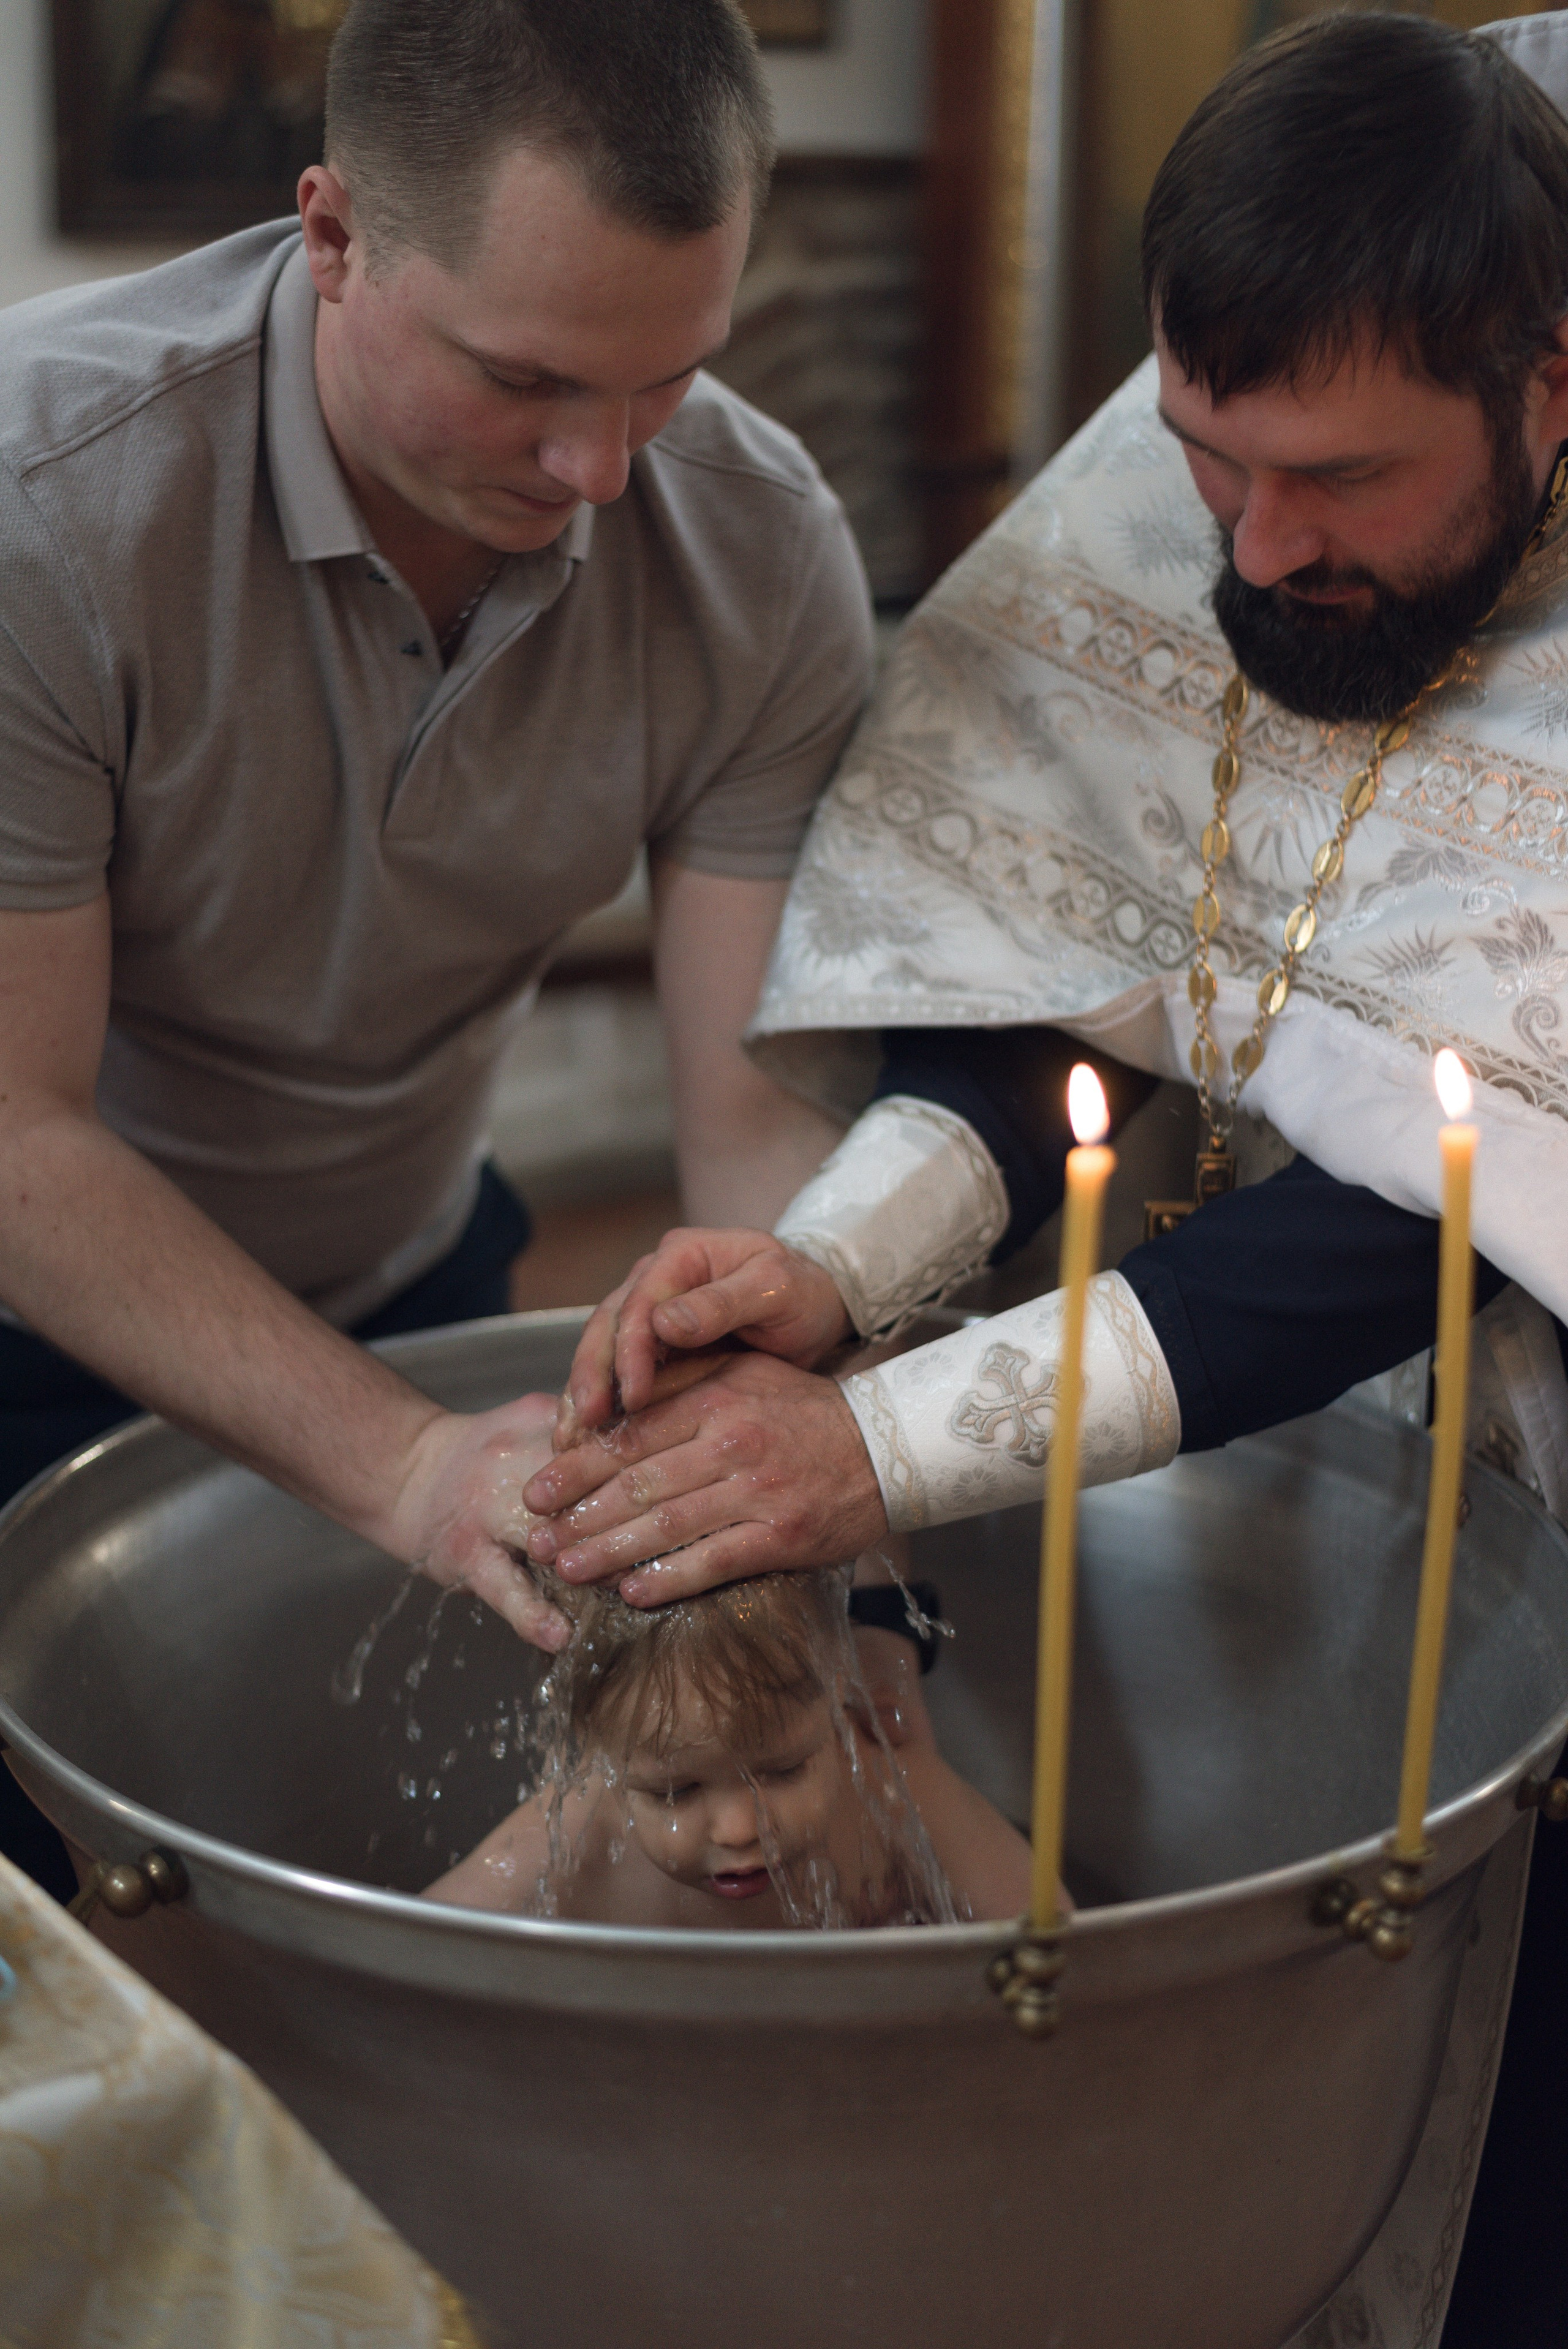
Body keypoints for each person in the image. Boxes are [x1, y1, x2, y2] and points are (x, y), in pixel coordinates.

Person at [511, 15, 1568, 2342]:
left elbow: (1445, 1184)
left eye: (1338, 484)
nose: (1257, 551)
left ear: (1548, 385)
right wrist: (832, 1271)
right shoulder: (1201, 503)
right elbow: (1066, 987)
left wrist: (868, 1440)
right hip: (1278, 1479)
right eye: (1209, 465)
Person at [0, 0, 871, 1892]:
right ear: (332, 238)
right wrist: (397, 1467)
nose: (603, 476)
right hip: (29, 1313)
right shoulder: (40, 510)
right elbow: (13, 1134)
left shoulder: (760, 544)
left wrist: (761, 1371)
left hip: (418, 1271)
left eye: (670, 379)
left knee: (433, 1877)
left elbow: (745, 1125)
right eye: (527, 379)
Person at [426, 1562, 1032, 1929]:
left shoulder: (896, 1797)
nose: (743, 1827)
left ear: (840, 1693)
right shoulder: (570, 1844)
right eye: (675, 1791)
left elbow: (1057, 1941)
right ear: (595, 1750)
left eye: (785, 1769)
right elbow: (414, 1961)